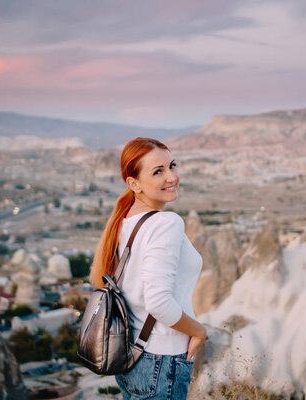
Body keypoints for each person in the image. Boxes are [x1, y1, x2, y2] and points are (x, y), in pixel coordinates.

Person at [89, 137, 206, 399]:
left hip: (132, 357)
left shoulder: (126, 219)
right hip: (162, 359)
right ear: (134, 184)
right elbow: (158, 302)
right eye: (158, 172)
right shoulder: (166, 223)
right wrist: (199, 331)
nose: (172, 177)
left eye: (171, 166)